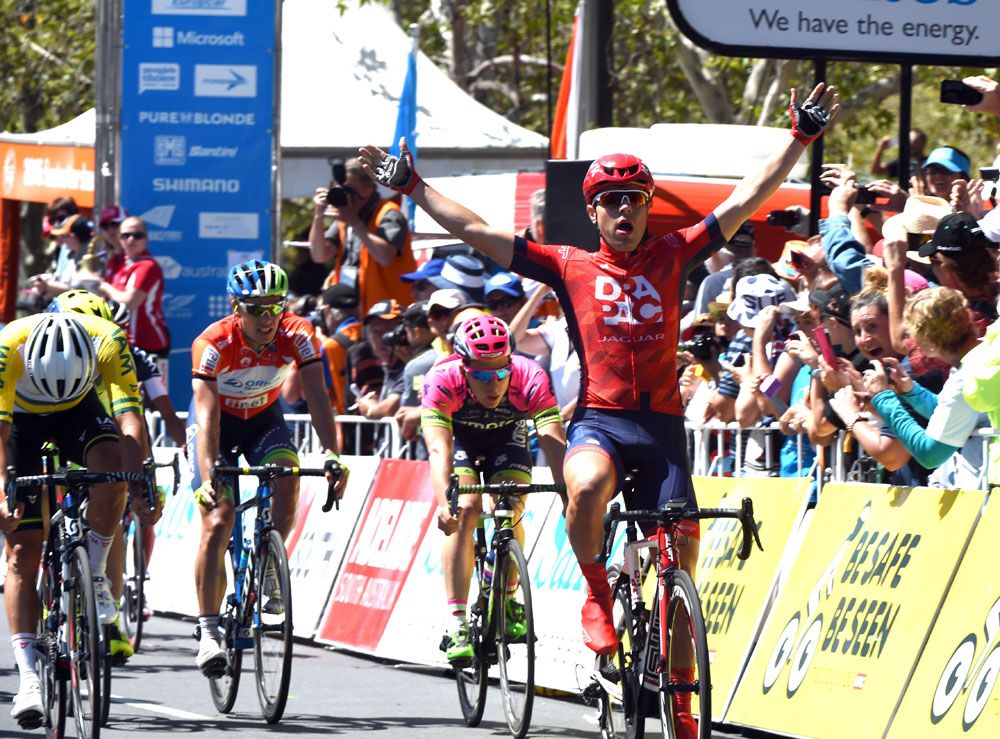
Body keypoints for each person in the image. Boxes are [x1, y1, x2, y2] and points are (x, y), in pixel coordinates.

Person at [360, 81, 838, 708]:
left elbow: (751, 195)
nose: (623, 211)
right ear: (593, 212)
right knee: (582, 487)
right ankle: (596, 592)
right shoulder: (566, 265)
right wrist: (413, 188)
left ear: (646, 208)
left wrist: (799, 135)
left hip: (664, 430)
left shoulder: (676, 251)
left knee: (681, 573)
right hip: (601, 424)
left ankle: (685, 714)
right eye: (610, 201)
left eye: (633, 200)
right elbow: (475, 229)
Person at [188, 259, 347, 676]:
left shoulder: (299, 333)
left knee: (287, 476)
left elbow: (317, 397)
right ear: (235, 307)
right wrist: (207, 479)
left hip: (262, 420)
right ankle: (207, 633)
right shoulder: (213, 342)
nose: (267, 317)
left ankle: (270, 563)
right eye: (256, 308)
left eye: (275, 307)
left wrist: (332, 453)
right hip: (216, 428)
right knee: (218, 518)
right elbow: (205, 418)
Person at [0, 313, 154, 725]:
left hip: (79, 409)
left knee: (113, 471)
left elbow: (129, 421)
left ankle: (97, 574)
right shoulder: (6, 347)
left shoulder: (109, 341)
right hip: (20, 421)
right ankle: (29, 677)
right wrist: (2, 491)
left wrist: (140, 485)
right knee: (21, 551)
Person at [421, 315, 566, 663]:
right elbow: (438, 448)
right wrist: (445, 503)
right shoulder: (442, 378)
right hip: (461, 442)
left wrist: (568, 494)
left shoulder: (529, 375)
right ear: (464, 365)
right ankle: (456, 623)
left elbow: (553, 440)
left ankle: (509, 595)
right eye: (483, 374)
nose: (494, 382)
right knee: (465, 508)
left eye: (501, 372)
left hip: (507, 436)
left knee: (513, 501)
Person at [308, 157, 416, 313]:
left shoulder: (389, 213)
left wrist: (355, 222)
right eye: (341, 189)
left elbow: (386, 257)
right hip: (353, 313)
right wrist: (318, 215)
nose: (345, 196)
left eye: (349, 190)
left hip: (389, 315)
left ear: (369, 187)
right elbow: (319, 255)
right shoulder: (346, 217)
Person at [98, 216, 170, 381]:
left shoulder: (148, 266)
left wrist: (102, 285)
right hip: (122, 342)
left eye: (137, 235)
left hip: (148, 344)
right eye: (125, 235)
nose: (131, 239)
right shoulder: (119, 263)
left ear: (146, 238)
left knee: (155, 401)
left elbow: (130, 303)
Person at [32, 214, 100, 299]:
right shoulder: (73, 255)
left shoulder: (93, 258)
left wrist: (50, 286)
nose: (62, 240)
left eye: (64, 236)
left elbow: (84, 291)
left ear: (76, 237)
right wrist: (47, 285)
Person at [98, 204, 129, 283]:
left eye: (115, 224)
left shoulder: (135, 259)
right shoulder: (112, 260)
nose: (110, 230)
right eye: (105, 226)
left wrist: (103, 285)